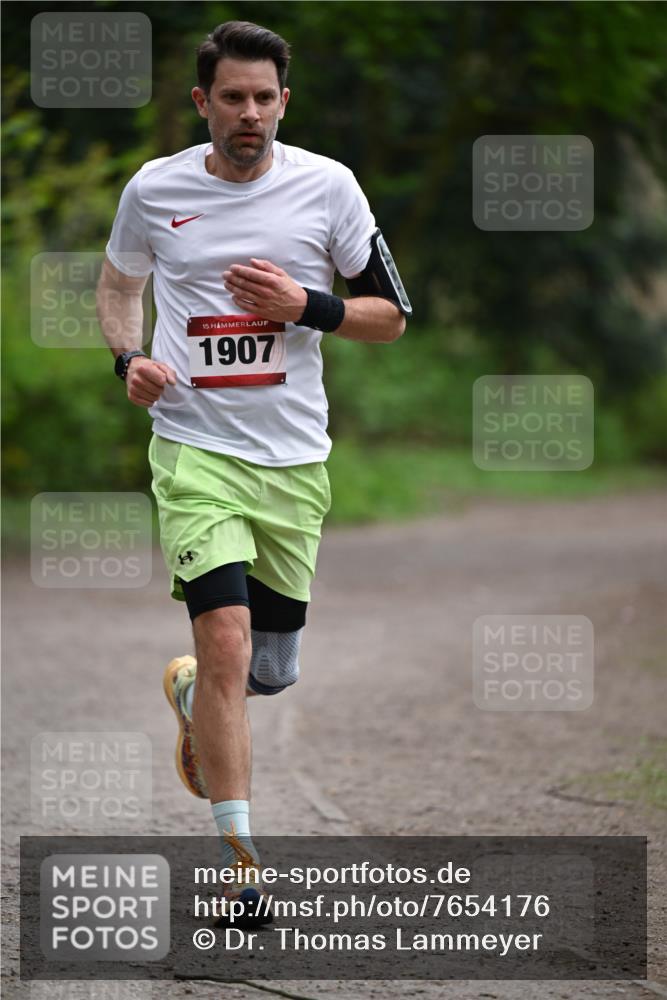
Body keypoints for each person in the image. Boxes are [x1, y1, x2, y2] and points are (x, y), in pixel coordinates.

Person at [97, 20, 410, 924]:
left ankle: (193, 696)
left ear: (284, 102)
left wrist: (303, 304)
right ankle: (243, 868)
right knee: (227, 639)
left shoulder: (330, 188)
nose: (249, 114)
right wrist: (129, 363)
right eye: (230, 97)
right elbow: (121, 286)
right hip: (195, 448)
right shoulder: (155, 190)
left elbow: (390, 316)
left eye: (263, 97)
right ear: (202, 103)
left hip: (292, 458)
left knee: (266, 670)